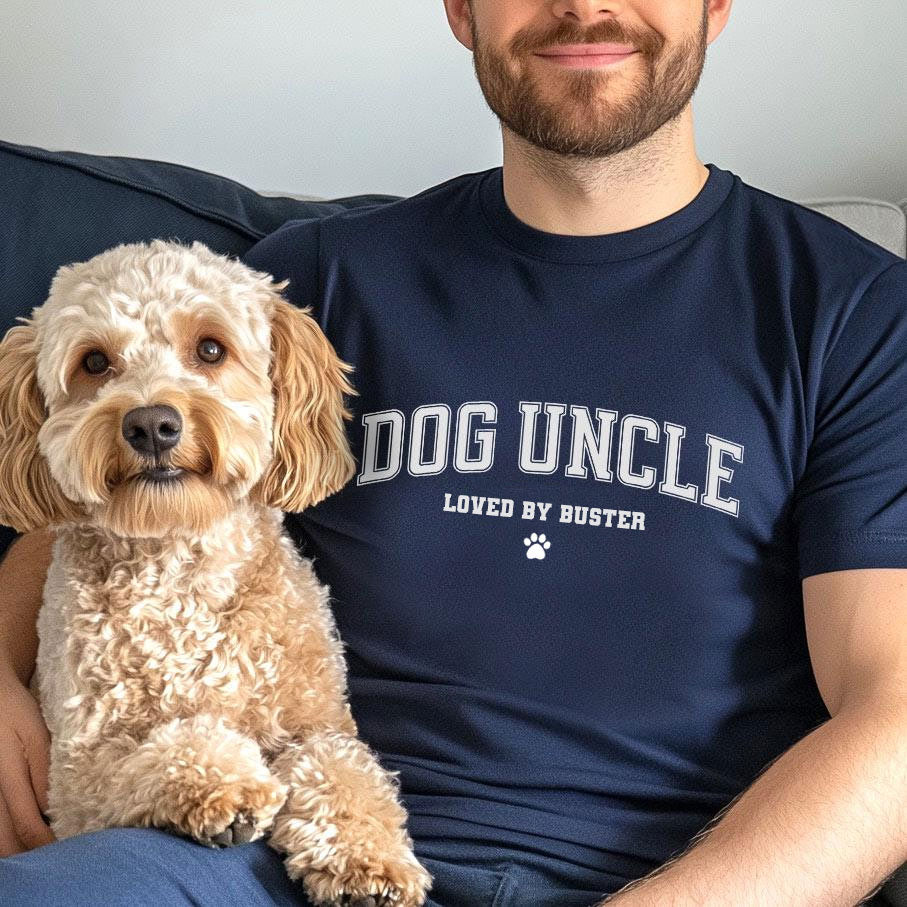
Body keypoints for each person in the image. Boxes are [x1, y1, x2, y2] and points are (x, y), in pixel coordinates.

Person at [2, 1, 907, 905]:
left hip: (691, 877)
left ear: (713, 5)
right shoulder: (320, 283)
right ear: (463, 10)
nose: (582, 5)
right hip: (281, 861)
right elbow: (105, 501)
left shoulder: (850, 314)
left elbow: (892, 711)